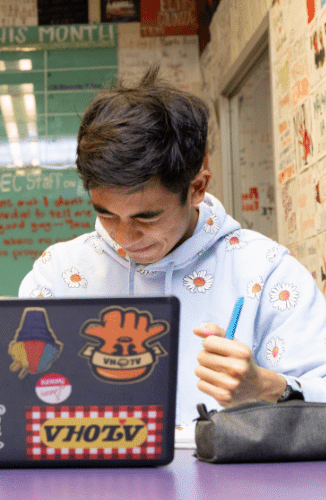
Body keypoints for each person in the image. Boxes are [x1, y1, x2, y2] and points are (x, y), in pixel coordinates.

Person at [18, 67, 326, 428]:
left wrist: (267, 387)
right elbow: (21, 387)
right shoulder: (59, 272)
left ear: (196, 187)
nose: (124, 238)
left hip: (227, 482)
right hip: (89, 482)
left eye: (146, 218)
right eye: (107, 215)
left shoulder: (267, 271)